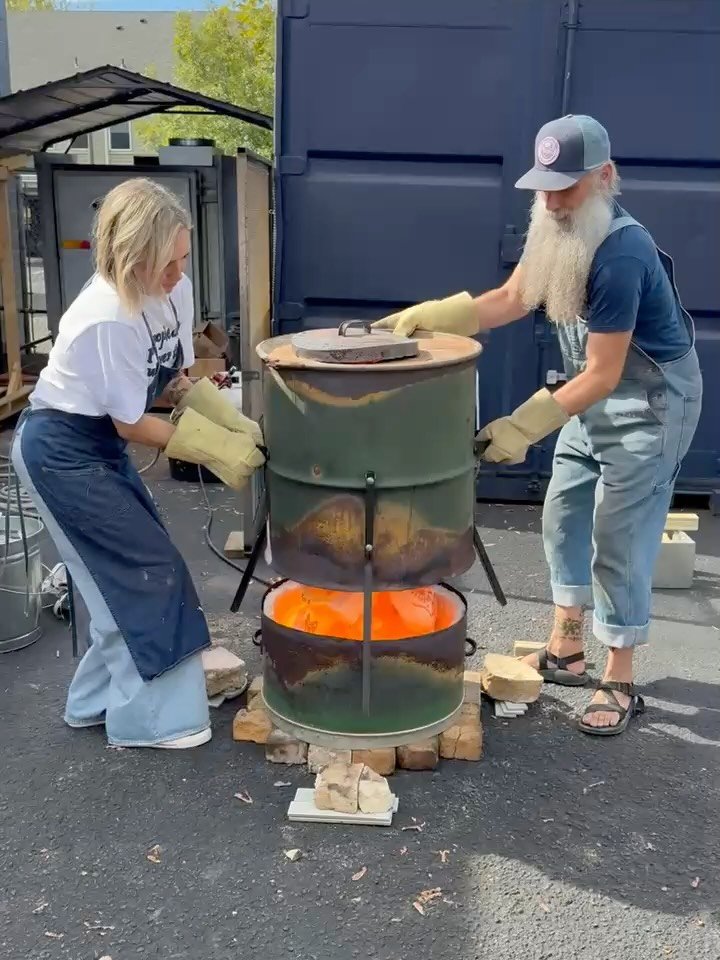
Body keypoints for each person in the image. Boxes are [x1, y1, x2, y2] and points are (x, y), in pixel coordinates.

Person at [375, 115, 703, 736]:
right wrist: (430, 317)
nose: (551, 201)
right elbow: (509, 299)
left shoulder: (621, 251)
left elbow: (606, 373)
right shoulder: (554, 229)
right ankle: (566, 649)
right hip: (593, 393)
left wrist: (522, 426)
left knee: (619, 531)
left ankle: (620, 675)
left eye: (566, 188)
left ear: (604, 177)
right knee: (562, 513)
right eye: (544, 187)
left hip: (650, 400)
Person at [11, 178, 265, 749]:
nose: (178, 274)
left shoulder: (174, 291)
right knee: (140, 570)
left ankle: (97, 701)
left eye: (182, 258)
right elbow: (130, 422)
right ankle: (154, 721)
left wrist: (236, 424)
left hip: (101, 442)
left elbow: (173, 381)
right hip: (60, 449)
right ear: (130, 256)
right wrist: (216, 450)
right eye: (165, 264)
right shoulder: (106, 316)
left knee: (124, 573)